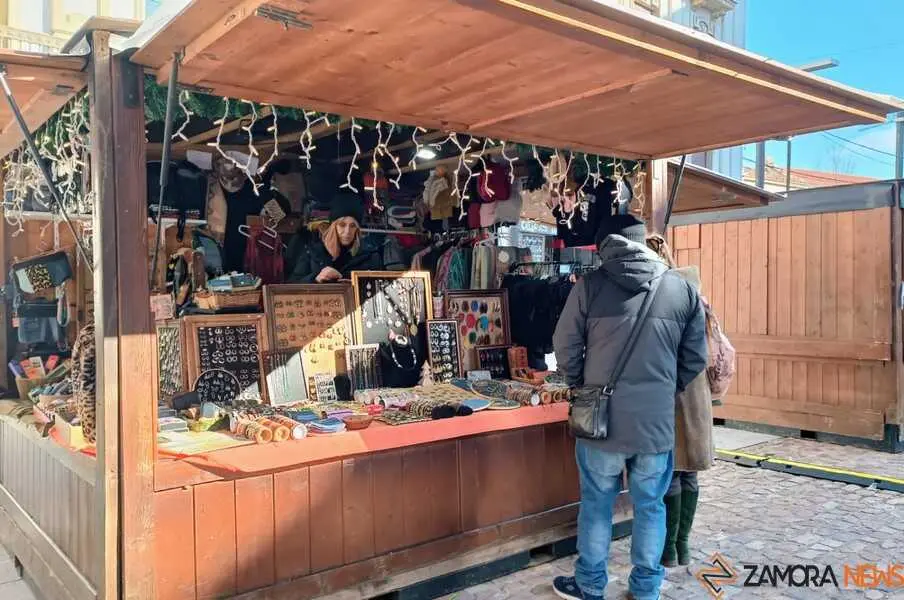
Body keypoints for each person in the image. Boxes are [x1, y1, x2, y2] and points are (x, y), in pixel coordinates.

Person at [551, 214, 708, 600]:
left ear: (607, 244)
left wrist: (578, 384)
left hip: (600, 422)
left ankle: (589, 584)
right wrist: (665, 389)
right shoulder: (681, 289)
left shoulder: (589, 286)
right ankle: (646, 589)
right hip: (655, 424)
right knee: (651, 506)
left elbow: (564, 344)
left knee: (596, 504)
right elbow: (695, 357)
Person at [645, 234, 714, 569]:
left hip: (672, 393)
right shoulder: (697, 295)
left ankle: (668, 550)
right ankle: (682, 547)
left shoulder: (663, 298)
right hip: (697, 396)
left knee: (671, 472)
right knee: (689, 473)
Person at [288, 192, 382, 283]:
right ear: (334, 226)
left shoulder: (369, 255)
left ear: (357, 230)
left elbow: (378, 286)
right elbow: (293, 283)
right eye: (342, 225)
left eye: (353, 226)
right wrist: (315, 278)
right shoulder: (313, 252)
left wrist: (345, 279)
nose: (347, 232)